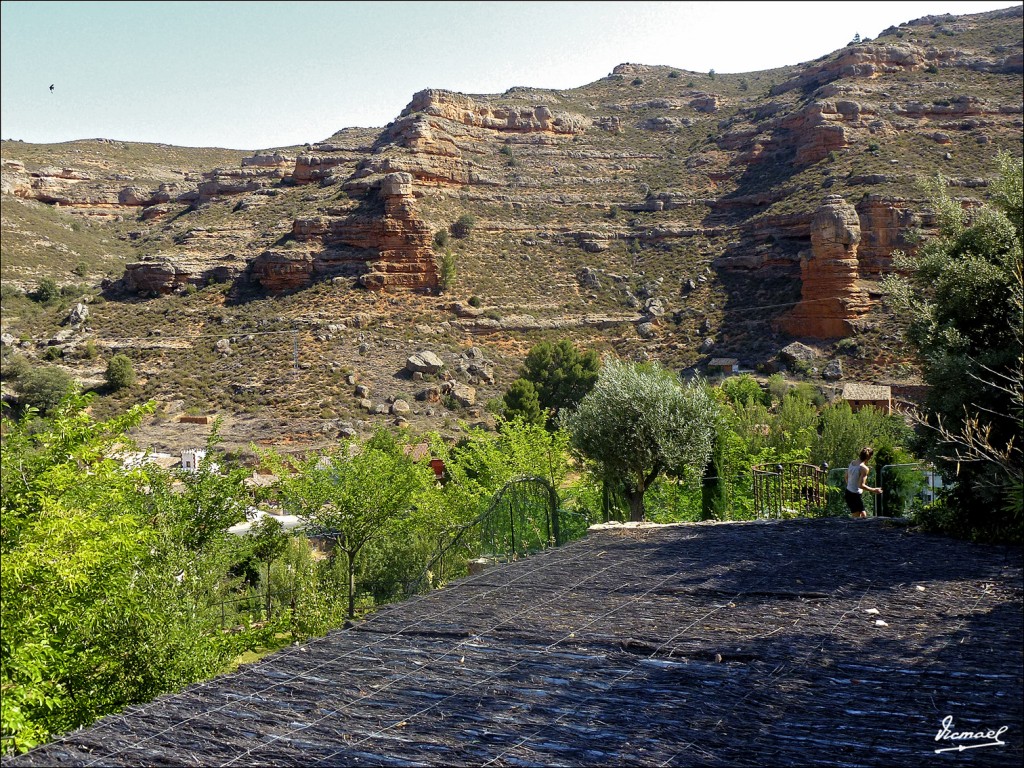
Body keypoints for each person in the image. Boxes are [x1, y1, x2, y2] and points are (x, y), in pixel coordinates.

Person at [845, 447, 882, 518]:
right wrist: (874, 490)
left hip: (848, 493)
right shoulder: (864, 468)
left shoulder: (852, 463)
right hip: (855, 495)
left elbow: (846, 476)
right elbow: (861, 485)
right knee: (857, 519)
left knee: (863, 515)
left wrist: (850, 486)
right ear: (869, 457)